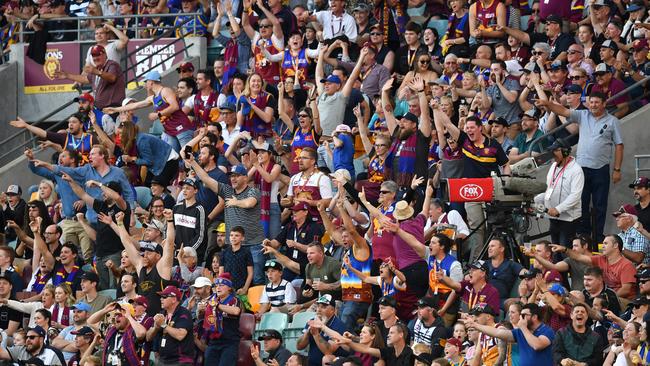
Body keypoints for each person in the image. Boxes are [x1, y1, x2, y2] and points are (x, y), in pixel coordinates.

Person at [536, 91, 624, 244]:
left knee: (600, 206)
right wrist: (548, 104)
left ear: (604, 103)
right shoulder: (583, 115)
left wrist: (617, 169)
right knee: (580, 204)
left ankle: (597, 239)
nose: (593, 105)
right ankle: (584, 237)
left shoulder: (612, 121)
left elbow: (619, 145)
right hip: (581, 169)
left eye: (597, 102)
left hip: (600, 169)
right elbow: (563, 111)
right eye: (591, 102)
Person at [189, 158, 266, 285]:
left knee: (257, 279)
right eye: (231, 176)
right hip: (233, 246)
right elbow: (206, 178)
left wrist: (236, 202)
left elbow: (249, 203)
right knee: (232, 280)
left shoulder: (253, 191)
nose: (233, 179)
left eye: (237, 176)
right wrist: (192, 162)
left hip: (253, 244)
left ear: (246, 178)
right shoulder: (227, 191)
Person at [104, 70, 195, 152]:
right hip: (171, 131)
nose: (145, 84)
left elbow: (175, 106)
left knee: (188, 156)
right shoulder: (153, 98)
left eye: (146, 81)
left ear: (151, 82)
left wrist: (158, 115)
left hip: (182, 128)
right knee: (173, 159)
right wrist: (115, 109)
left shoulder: (165, 91)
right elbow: (135, 105)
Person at [109, 209, 175, 317]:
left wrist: (170, 221)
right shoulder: (141, 267)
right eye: (144, 253)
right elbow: (126, 242)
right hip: (140, 318)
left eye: (149, 253)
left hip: (158, 318)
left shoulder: (162, 268)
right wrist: (120, 223)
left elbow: (170, 243)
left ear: (158, 255)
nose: (145, 255)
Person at [464, 303, 554, 365]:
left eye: (523, 315)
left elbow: (537, 345)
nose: (520, 318)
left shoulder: (546, 330)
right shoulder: (520, 332)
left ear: (534, 317)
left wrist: (523, 327)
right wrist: (474, 325)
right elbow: (498, 333)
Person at [553, 235, 637, 299]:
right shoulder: (601, 259)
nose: (602, 246)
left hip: (624, 300)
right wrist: (564, 249)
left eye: (606, 243)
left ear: (615, 245)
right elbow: (578, 257)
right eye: (603, 243)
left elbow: (626, 290)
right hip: (607, 298)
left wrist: (608, 299)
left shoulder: (627, 265)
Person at [534, 139, 584, 247]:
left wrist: (558, 209)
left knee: (564, 249)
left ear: (565, 151)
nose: (552, 154)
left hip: (568, 218)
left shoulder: (576, 170)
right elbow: (548, 190)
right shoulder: (553, 166)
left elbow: (575, 196)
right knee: (554, 250)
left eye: (556, 151)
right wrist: (535, 202)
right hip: (553, 217)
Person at [56, 45, 125, 110]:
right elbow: (85, 79)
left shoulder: (112, 64)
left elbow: (112, 78)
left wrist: (97, 72)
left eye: (98, 55)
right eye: (93, 55)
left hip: (113, 108)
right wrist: (67, 76)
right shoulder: (96, 69)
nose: (95, 58)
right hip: (101, 109)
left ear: (105, 55)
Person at [146, 286, 195, 365]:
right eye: (161, 297)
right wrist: (155, 327)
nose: (161, 299)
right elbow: (148, 338)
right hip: (163, 360)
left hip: (180, 361)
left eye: (164, 297)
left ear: (174, 299)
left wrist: (163, 324)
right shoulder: (162, 313)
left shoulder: (183, 313)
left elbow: (180, 335)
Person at [297, 294, 349, 366]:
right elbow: (299, 346)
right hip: (311, 363)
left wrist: (315, 334)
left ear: (333, 310)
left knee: (327, 358)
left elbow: (328, 351)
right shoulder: (312, 321)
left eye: (323, 307)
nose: (319, 309)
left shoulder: (338, 325)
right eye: (318, 306)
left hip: (333, 362)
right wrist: (308, 332)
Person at [202, 273, 242, 366]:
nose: (218, 288)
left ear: (229, 288)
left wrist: (217, 305)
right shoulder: (211, 299)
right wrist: (200, 311)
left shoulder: (235, 300)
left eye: (221, 285)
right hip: (213, 341)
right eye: (216, 286)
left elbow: (236, 311)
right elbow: (204, 318)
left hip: (229, 342)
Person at [339, 322, 414, 366]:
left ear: (401, 335)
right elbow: (366, 349)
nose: (388, 335)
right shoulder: (389, 351)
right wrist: (349, 341)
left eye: (392, 333)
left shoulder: (410, 354)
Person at [171, 178, 208, 265]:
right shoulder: (176, 207)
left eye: (188, 188)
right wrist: (171, 245)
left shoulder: (200, 209)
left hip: (192, 256)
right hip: (176, 255)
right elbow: (170, 227)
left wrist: (187, 251)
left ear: (195, 190)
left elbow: (200, 236)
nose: (184, 191)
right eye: (183, 188)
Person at [0, 325, 65, 365]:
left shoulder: (53, 353)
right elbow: (1, 353)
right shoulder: (21, 349)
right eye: (27, 337)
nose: (28, 340)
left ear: (41, 339)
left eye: (32, 337)